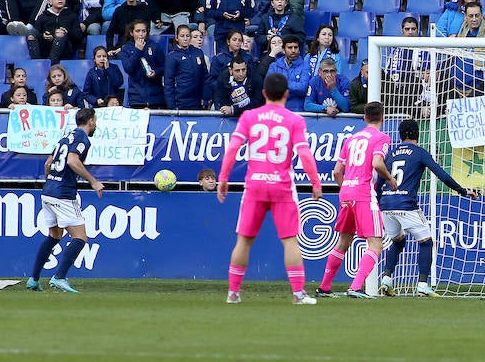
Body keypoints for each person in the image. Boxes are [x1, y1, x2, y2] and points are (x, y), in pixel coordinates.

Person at [217, 72, 324, 304]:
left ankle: (233, 293)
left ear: (264, 93)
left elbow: (233, 148)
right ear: (286, 94)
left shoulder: (249, 116)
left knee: (244, 240)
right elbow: (304, 154)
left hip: (255, 185)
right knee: (290, 240)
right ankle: (298, 294)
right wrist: (316, 182)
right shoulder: (294, 120)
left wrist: (223, 178)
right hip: (282, 186)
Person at [379, 118, 473, 297]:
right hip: (406, 204)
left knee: (398, 241)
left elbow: (380, 180)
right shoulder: (420, 153)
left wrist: (378, 201)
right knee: (427, 241)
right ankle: (422, 284)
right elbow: (442, 175)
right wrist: (462, 191)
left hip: (386, 204)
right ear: (417, 134)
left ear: (400, 135)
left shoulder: (390, 154)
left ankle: (386, 279)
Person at [316, 101, 397, 299]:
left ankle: (324, 287)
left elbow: (336, 172)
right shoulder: (382, 138)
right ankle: (355, 287)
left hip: (346, 192)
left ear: (364, 118)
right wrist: (390, 178)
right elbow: (377, 163)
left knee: (343, 241)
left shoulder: (351, 139)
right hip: (363, 193)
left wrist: (346, 189)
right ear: (383, 118)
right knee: (376, 243)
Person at [25, 108, 104, 293]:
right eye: (95, 121)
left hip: (48, 191)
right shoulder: (83, 139)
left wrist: (51, 182)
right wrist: (93, 181)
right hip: (63, 194)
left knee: (54, 235)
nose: (95, 124)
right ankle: (59, 277)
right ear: (91, 120)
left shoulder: (65, 137)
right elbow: (72, 161)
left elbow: (48, 164)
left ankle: (34, 279)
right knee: (80, 237)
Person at [164, 22, 210, 110]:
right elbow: (168, 83)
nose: (185, 39)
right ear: (177, 38)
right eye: (182, 36)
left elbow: (205, 77)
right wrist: (171, 105)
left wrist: (205, 98)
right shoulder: (172, 56)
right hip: (180, 102)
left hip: (197, 101)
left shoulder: (198, 52)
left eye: (188, 36)